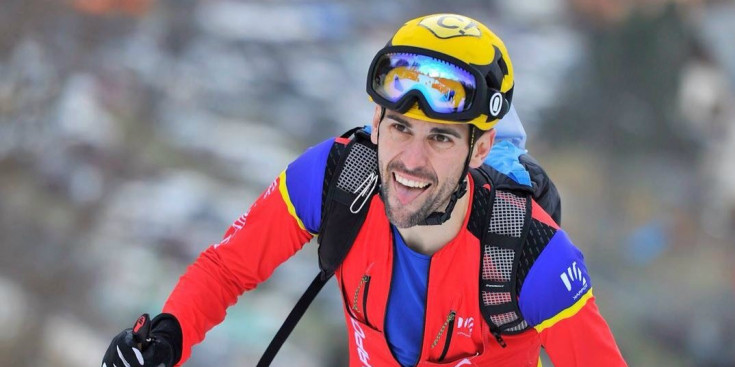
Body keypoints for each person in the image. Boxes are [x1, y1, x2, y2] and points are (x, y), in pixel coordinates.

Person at [102, 13, 627, 367]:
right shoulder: (336, 177)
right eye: (400, 127)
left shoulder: (530, 253)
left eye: (441, 138)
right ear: (375, 120)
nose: (411, 162)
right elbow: (227, 268)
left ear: (482, 148)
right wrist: (166, 336)